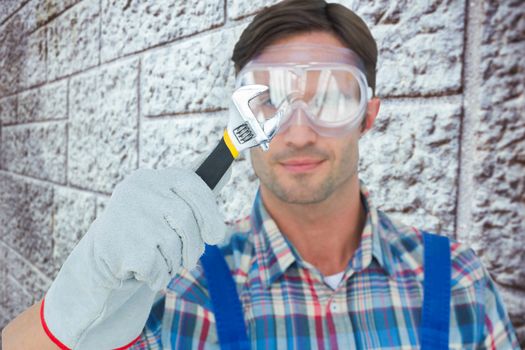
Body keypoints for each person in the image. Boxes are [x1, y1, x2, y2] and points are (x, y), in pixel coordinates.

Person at [2, 0, 520, 349]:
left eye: (333, 97)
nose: (297, 133)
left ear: (368, 114)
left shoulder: (459, 282)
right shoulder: (182, 295)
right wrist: (71, 306)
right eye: (270, 100)